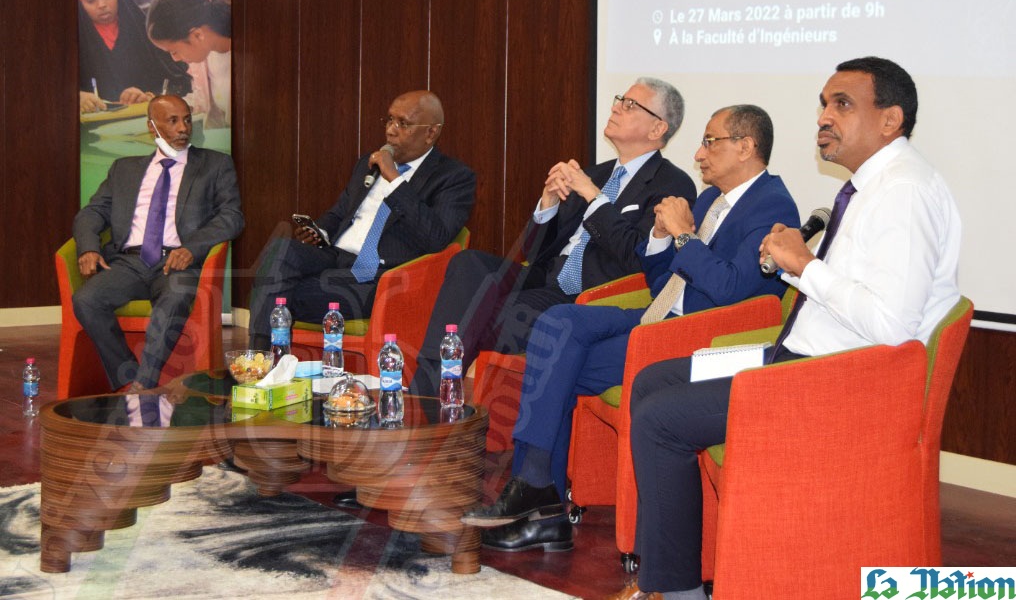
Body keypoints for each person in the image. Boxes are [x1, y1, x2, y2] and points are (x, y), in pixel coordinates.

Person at [613, 57, 962, 600]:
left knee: (661, 419)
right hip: (793, 355)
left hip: (830, 379)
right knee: (655, 379)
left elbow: (893, 326)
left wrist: (805, 266)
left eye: (842, 104)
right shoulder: (873, 186)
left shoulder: (904, 193)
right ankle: (687, 562)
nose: (824, 116)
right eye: (824, 103)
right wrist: (799, 261)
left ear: (890, 120)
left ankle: (678, 591)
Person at [462, 105, 800, 553]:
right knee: (557, 322)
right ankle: (538, 492)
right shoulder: (707, 201)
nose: (698, 153)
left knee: (557, 364)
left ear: (746, 147)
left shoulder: (772, 205)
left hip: (699, 331)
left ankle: (539, 497)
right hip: (658, 312)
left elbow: (732, 291)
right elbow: (663, 280)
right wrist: (662, 239)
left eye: (710, 141)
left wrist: (682, 237)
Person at [408, 77, 698, 398]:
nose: (616, 107)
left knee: (483, 311)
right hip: (548, 280)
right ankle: (429, 388)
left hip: (587, 297)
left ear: (658, 129)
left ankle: (430, 394)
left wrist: (592, 195)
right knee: (470, 263)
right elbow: (535, 252)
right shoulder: (597, 173)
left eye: (630, 105)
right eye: (619, 100)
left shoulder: (672, 184)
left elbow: (636, 256)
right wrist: (547, 204)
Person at [246, 90, 476, 350]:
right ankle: (261, 358)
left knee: (275, 290)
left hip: (379, 277)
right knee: (280, 251)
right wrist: (320, 230)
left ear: (431, 132)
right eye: (389, 120)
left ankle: (259, 360)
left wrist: (395, 180)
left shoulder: (454, 177)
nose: (390, 130)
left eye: (403, 124)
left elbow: (437, 237)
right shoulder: (366, 164)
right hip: (335, 258)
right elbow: (339, 213)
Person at [72, 95, 244, 392]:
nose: (183, 129)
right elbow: (92, 212)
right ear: (152, 127)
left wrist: (192, 248)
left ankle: (143, 383)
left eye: (187, 119)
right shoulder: (124, 169)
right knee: (86, 300)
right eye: (173, 121)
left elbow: (232, 217)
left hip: (177, 262)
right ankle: (128, 377)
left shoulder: (215, 165)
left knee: (175, 297)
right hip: (128, 262)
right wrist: (89, 247)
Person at [77, 0, 190, 113]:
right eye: (91, 0)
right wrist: (78, 96)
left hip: (146, 119)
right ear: (80, 3)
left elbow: (178, 80)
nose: (102, 4)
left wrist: (151, 96)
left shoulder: (144, 32)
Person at [146, 0, 232, 128]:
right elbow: (204, 103)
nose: (175, 58)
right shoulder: (205, 58)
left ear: (197, 35)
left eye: (173, 51)